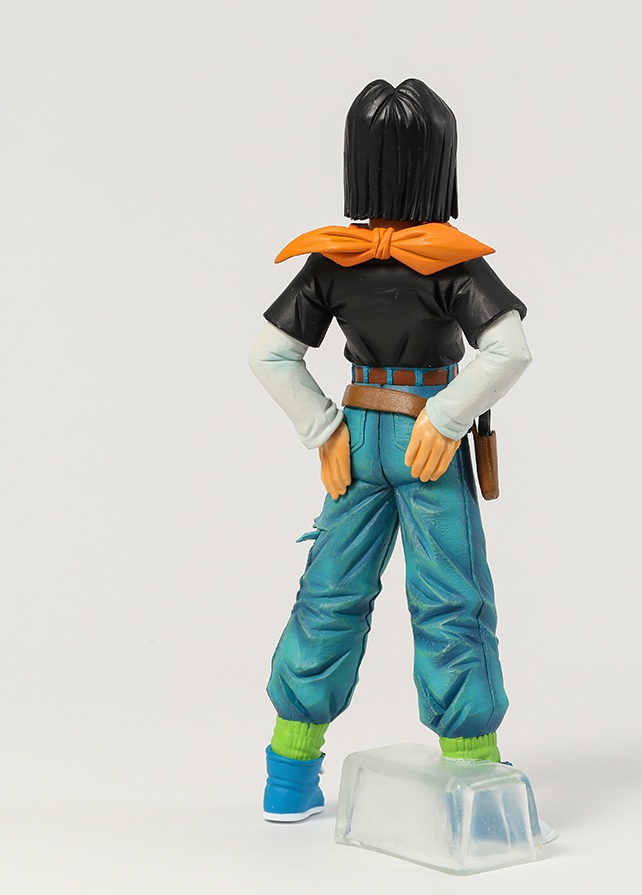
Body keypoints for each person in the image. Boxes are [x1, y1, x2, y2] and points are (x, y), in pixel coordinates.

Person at [250, 79, 532, 821]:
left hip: (357, 432)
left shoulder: (332, 261)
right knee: (450, 599)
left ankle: (288, 773)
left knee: (329, 594)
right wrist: (445, 417)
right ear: (441, 164)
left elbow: (270, 355)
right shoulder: (452, 262)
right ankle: (473, 772)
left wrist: (325, 429)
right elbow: (508, 351)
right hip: (423, 438)